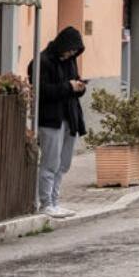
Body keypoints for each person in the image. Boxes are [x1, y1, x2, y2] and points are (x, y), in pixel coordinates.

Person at [35, 27, 88, 218]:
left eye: (75, 52)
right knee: (50, 162)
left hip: (70, 118)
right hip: (51, 119)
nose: (71, 54)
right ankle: (45, 203)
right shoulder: (42, 61)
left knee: (63, 164)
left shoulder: (70, 62)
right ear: (62, 45)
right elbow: (42, 91)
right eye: (70, 50)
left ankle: (55, 201)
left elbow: (74, 85)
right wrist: (68, 87)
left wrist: (80, 87)